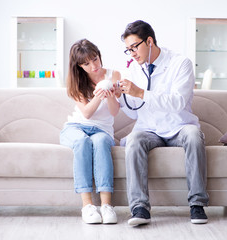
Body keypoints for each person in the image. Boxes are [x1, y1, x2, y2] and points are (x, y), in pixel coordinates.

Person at [118, 20, 209, 226]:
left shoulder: (180, 63)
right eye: (128, 50)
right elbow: (134, 113)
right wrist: (122, 98)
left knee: (194, 136)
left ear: (149, 41)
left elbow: (177, 102)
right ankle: (139, 208)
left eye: (134, 47)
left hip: (179, 126)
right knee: (134, 140)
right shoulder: (135, 69)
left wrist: (140, 92)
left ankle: (197, 204)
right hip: (150, 129)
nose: (132, 53)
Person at [60, 39, 120, 224]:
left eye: (95, 59)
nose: (94, 66)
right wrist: (98, 96)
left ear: (99, 55)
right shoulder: (76, 81)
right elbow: (86, 113)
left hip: (102, 130)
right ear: (79, 66)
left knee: (101, 142)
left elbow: (114, 111)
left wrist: (110, 96)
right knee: (82, 142)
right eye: (87, 63)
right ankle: (87, 206)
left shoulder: (114, 74)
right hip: (76, 127)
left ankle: (106, 206)